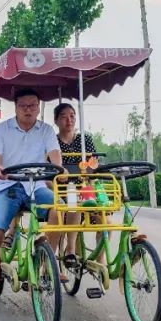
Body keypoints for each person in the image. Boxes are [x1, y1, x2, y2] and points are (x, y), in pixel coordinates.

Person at [0, 88, 63, 284]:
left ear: (38, 107)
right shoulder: (2, 129)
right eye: (23, 106)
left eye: (33, 105)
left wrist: (59, 169)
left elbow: (55, 155)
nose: (28, 110)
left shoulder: (46, 130)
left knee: (59, 209)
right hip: (8, 186)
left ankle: (47, 261)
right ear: (16, 107)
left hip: (37, 187)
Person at [54, 103, 97, 264]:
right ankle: (70, 250)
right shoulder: (53, 141)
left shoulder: (85, 140)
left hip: (84, 186)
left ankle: (100, 263)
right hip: (63, 188)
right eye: (64, 117)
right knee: (73, 204)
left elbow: (93, 164)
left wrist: (89, 180)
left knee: (105, 220)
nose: (69, 120)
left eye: (72, 116)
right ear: (56, 120)